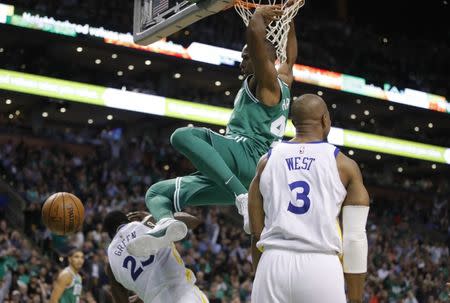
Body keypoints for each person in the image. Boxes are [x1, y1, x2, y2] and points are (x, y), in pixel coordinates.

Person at [128, 4, 298, 256]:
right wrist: (289, 17)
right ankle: (166, 224)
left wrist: (259, 16)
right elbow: (289, 55)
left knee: (183, 136)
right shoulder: (284, 79)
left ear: (262, 58)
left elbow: (255, 36)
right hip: (244, 173)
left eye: (246, 56)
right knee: (157, 193)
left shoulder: (268, 83)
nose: (242, 61)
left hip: (249, 154)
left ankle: (242, 198)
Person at [248, 94, 370, 303]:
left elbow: (256, 232)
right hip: (320, 266)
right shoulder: (345, 165)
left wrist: (263, 274)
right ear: (325, 120)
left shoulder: (266, 161)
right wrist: (356, 298)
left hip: (273, 262)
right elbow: (355, 238)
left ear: (293, 122)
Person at [103, 210, 209, 303]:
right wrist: (157, 217)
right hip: (185, 294)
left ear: (109, 235)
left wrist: (145, 295)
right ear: (128, 220)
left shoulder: (111, 264)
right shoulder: (148, 223)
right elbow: (194, 221)